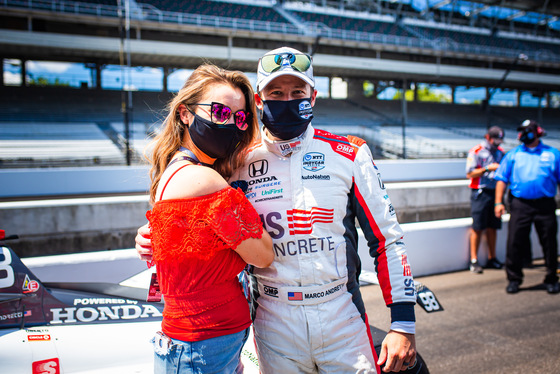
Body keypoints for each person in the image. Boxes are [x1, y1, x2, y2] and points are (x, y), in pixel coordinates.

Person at [138, 47, 417, 373]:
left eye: (297, 92)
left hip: (341, 312)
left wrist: (403, 324)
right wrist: (149, 234)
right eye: (276, 92)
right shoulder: (236, 161)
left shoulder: (349, 154)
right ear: (259, 100)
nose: (286, 99)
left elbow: (388, 240)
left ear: (313, 97)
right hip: (272, 318)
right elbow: (191, 209)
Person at [144, 64, 274, 374]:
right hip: (202, 346)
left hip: (203, 344)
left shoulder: (176, 169)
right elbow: (263, 254)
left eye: (239, 117)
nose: (231, 123)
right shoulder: (205, 181)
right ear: (185, 113)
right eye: (220, 111)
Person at [494, 119, 560, 295]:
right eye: (521, 131)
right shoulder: (513, 155)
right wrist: (498, 202)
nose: (522, 134)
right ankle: (514, 279)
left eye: (526, 131)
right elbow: (501, 179)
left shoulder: (553, 154)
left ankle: (552, 278)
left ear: (537, 133)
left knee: (549, 243)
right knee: (515, 242)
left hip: (545, 205)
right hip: (520, 204)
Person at [465, 126, 505, 273]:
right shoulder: (476, 151)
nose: (497, 143)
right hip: (480, 192)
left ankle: (491, 258)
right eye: (495, 140)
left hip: (496, 193)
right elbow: (469, 174)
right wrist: (487, 169)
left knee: (493, 226)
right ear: (488, 137)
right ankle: (474, 260)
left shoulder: (501, 152)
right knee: (478, 226)